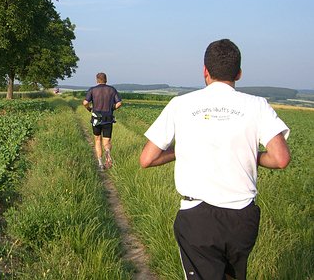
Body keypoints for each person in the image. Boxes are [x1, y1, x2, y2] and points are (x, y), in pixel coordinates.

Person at [139, 39, 291, 280]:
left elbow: (147, 158)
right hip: (243, 218)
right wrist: (253, 154)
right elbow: (281, 158)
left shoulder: (180, 104)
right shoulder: (257, 105)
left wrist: (180, 151)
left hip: (197, 218)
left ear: (205, 71)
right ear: (238, 73)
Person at [83, 72, 122, 170]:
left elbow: (85, 103)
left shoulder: (92, 90)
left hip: (96, 119)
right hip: (108, 119)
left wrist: (89, 109)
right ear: (106, 80)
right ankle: (108, 153)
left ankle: (100, 163)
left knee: (97, 140)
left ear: (97, 80)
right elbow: (119, 103)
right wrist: (112, 108)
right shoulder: (112, 90)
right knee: (107, 140)